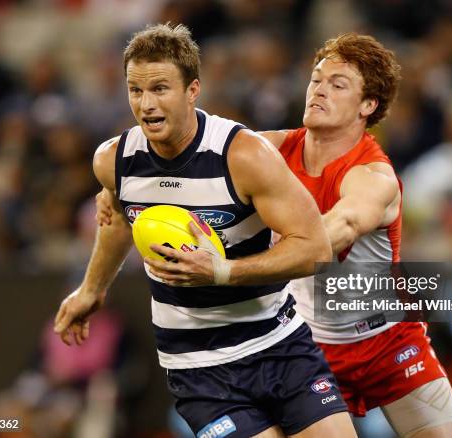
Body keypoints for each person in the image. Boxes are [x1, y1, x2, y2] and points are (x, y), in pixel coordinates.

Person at [96, 32, 452, 438]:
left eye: (338, 85)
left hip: (387, 342)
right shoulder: (268, 152)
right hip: (306, 344)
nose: (319, 91)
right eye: (316, 79)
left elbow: (334, 231)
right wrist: (121, 191)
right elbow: (197, 165)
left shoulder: (373, 176)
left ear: (368, 105)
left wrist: (262, 256)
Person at [54, 23, 356, 438]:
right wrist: (91, 289)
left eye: (160, 88)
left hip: (280, 348)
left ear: (192, 90)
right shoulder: (114, 160)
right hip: (198, 368)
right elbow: (122, 219)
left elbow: (314, 249)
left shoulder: (244, 156)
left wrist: (222, 271)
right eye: (135, 90)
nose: (146, 104)